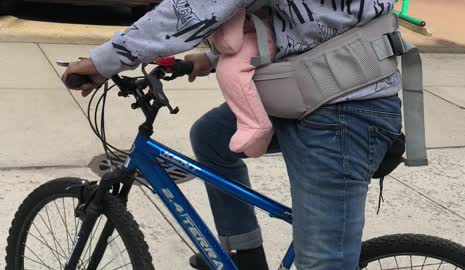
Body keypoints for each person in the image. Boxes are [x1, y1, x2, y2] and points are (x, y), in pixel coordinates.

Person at [62, 1, 402, 269]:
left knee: (322, 262)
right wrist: (210, 59)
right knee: (212, 138)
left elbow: (191, 10)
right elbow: (303, 20)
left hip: (344, 108)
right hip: (306, 88)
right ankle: (245, 255)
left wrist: (100, 62)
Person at [208, 7, 276, 157]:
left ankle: (255, 125)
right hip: (261, 39)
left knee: (230, 69)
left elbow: (230, 43)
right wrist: (208, 58)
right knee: (204, 134)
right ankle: (257, 138)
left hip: (265, 46)